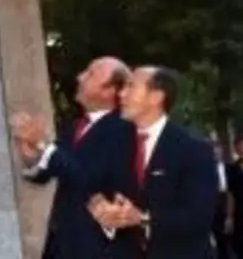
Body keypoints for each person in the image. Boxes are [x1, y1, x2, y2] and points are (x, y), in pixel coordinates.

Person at [12, 56, 135, 259]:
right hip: (62, 245)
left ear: (110, 91)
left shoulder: (124, 129)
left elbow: (89, 179)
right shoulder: (75, 126)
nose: (80, 77)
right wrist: (31, 156)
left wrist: (43, 145)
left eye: (90, 74)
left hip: (97, 248)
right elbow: (52, 170)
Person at [88, 66, 217, 259]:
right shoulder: (112, 146)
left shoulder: (193, 149)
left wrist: (143, 219)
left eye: (131, 86)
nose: (121, 94)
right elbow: (94, 189)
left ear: (156, 97)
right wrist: (101, 208)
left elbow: (199, 217)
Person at [212, 140, 234, 259]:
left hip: (229, 202)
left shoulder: (230, 168)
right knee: (220, 241)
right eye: (213, 152)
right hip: (214, 207)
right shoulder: (205, 171)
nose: (216, 154)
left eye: (218, 151)